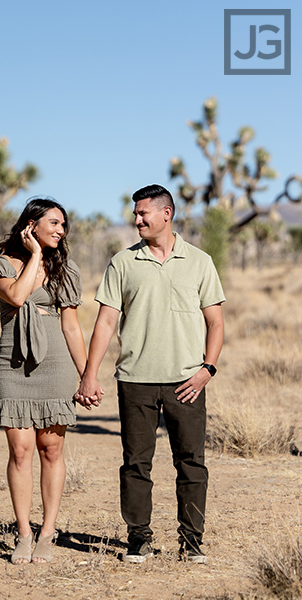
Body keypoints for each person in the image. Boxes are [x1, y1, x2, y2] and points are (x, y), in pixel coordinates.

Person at [77, 184, 225, 565]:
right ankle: (138, 539)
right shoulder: (123, 263)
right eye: (135, 213)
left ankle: (192, 541)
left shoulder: (199, 261)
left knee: (191, 462)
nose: (136, 219)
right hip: (135, 379)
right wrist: (89, 376)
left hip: (187, 382)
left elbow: (216, 322)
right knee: (135, 464)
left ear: (166, 214)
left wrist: (207, 369)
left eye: (143, 213)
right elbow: (106, 323)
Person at [0, 197, 87, 564]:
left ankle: (47, 533)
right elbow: (18, 296)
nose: (60, 230)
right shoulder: (1, 263)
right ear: (31, 224)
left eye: (63, 225)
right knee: (20, 451)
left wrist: (87, 376)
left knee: (51, 449)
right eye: (53, 222)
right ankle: (24, 533)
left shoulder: (66, 270)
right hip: (14, 364)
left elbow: (71, 327)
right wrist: (35, 255)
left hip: (56, 367)